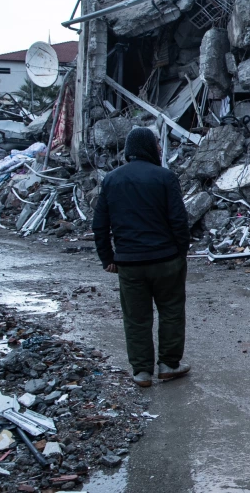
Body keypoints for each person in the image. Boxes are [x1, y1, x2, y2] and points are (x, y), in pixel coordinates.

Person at [93, 127, 191, 388]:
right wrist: (181, 252)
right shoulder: (165, 178)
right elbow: (179, 220)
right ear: (148, 148)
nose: (160, 149)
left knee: (136, 318)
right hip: (166, 259)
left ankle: (142, 372)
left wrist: (107, 258)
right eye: (157, 145)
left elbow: (99, 225)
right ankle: (169, 365)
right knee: (171, 311)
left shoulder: (111, 180)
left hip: (129, 263)